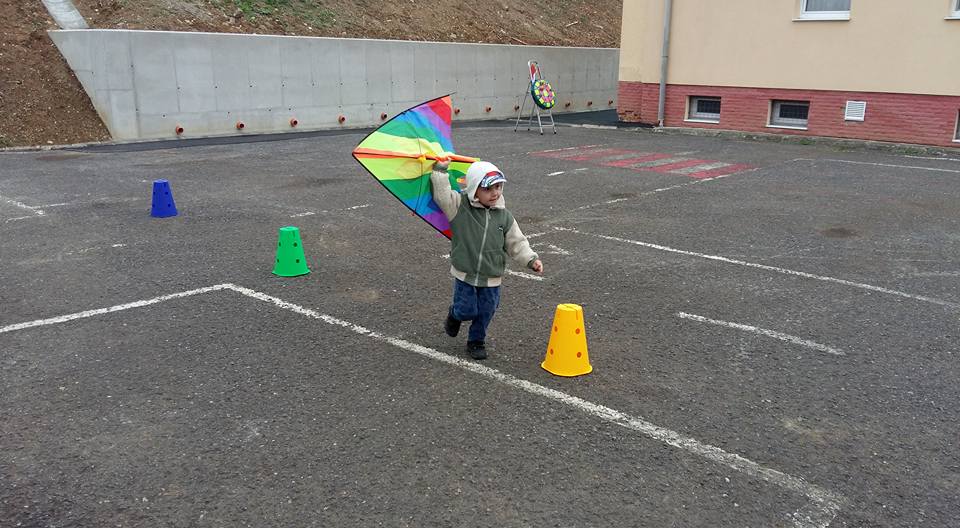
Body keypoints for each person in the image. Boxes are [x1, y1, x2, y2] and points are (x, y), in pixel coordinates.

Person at [430, 158, 543, 360]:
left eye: (498, 187)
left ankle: (476, 341)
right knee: (466, 310)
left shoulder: (504, 216)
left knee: (486, 311)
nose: (495, 193)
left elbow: (516, 242)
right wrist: (440, 170)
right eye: (488, 189)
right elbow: (442, 195)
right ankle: (455, 314)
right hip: (465, 272)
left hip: (492, 275)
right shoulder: (460, 207)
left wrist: (530, 259)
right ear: (474, 189)